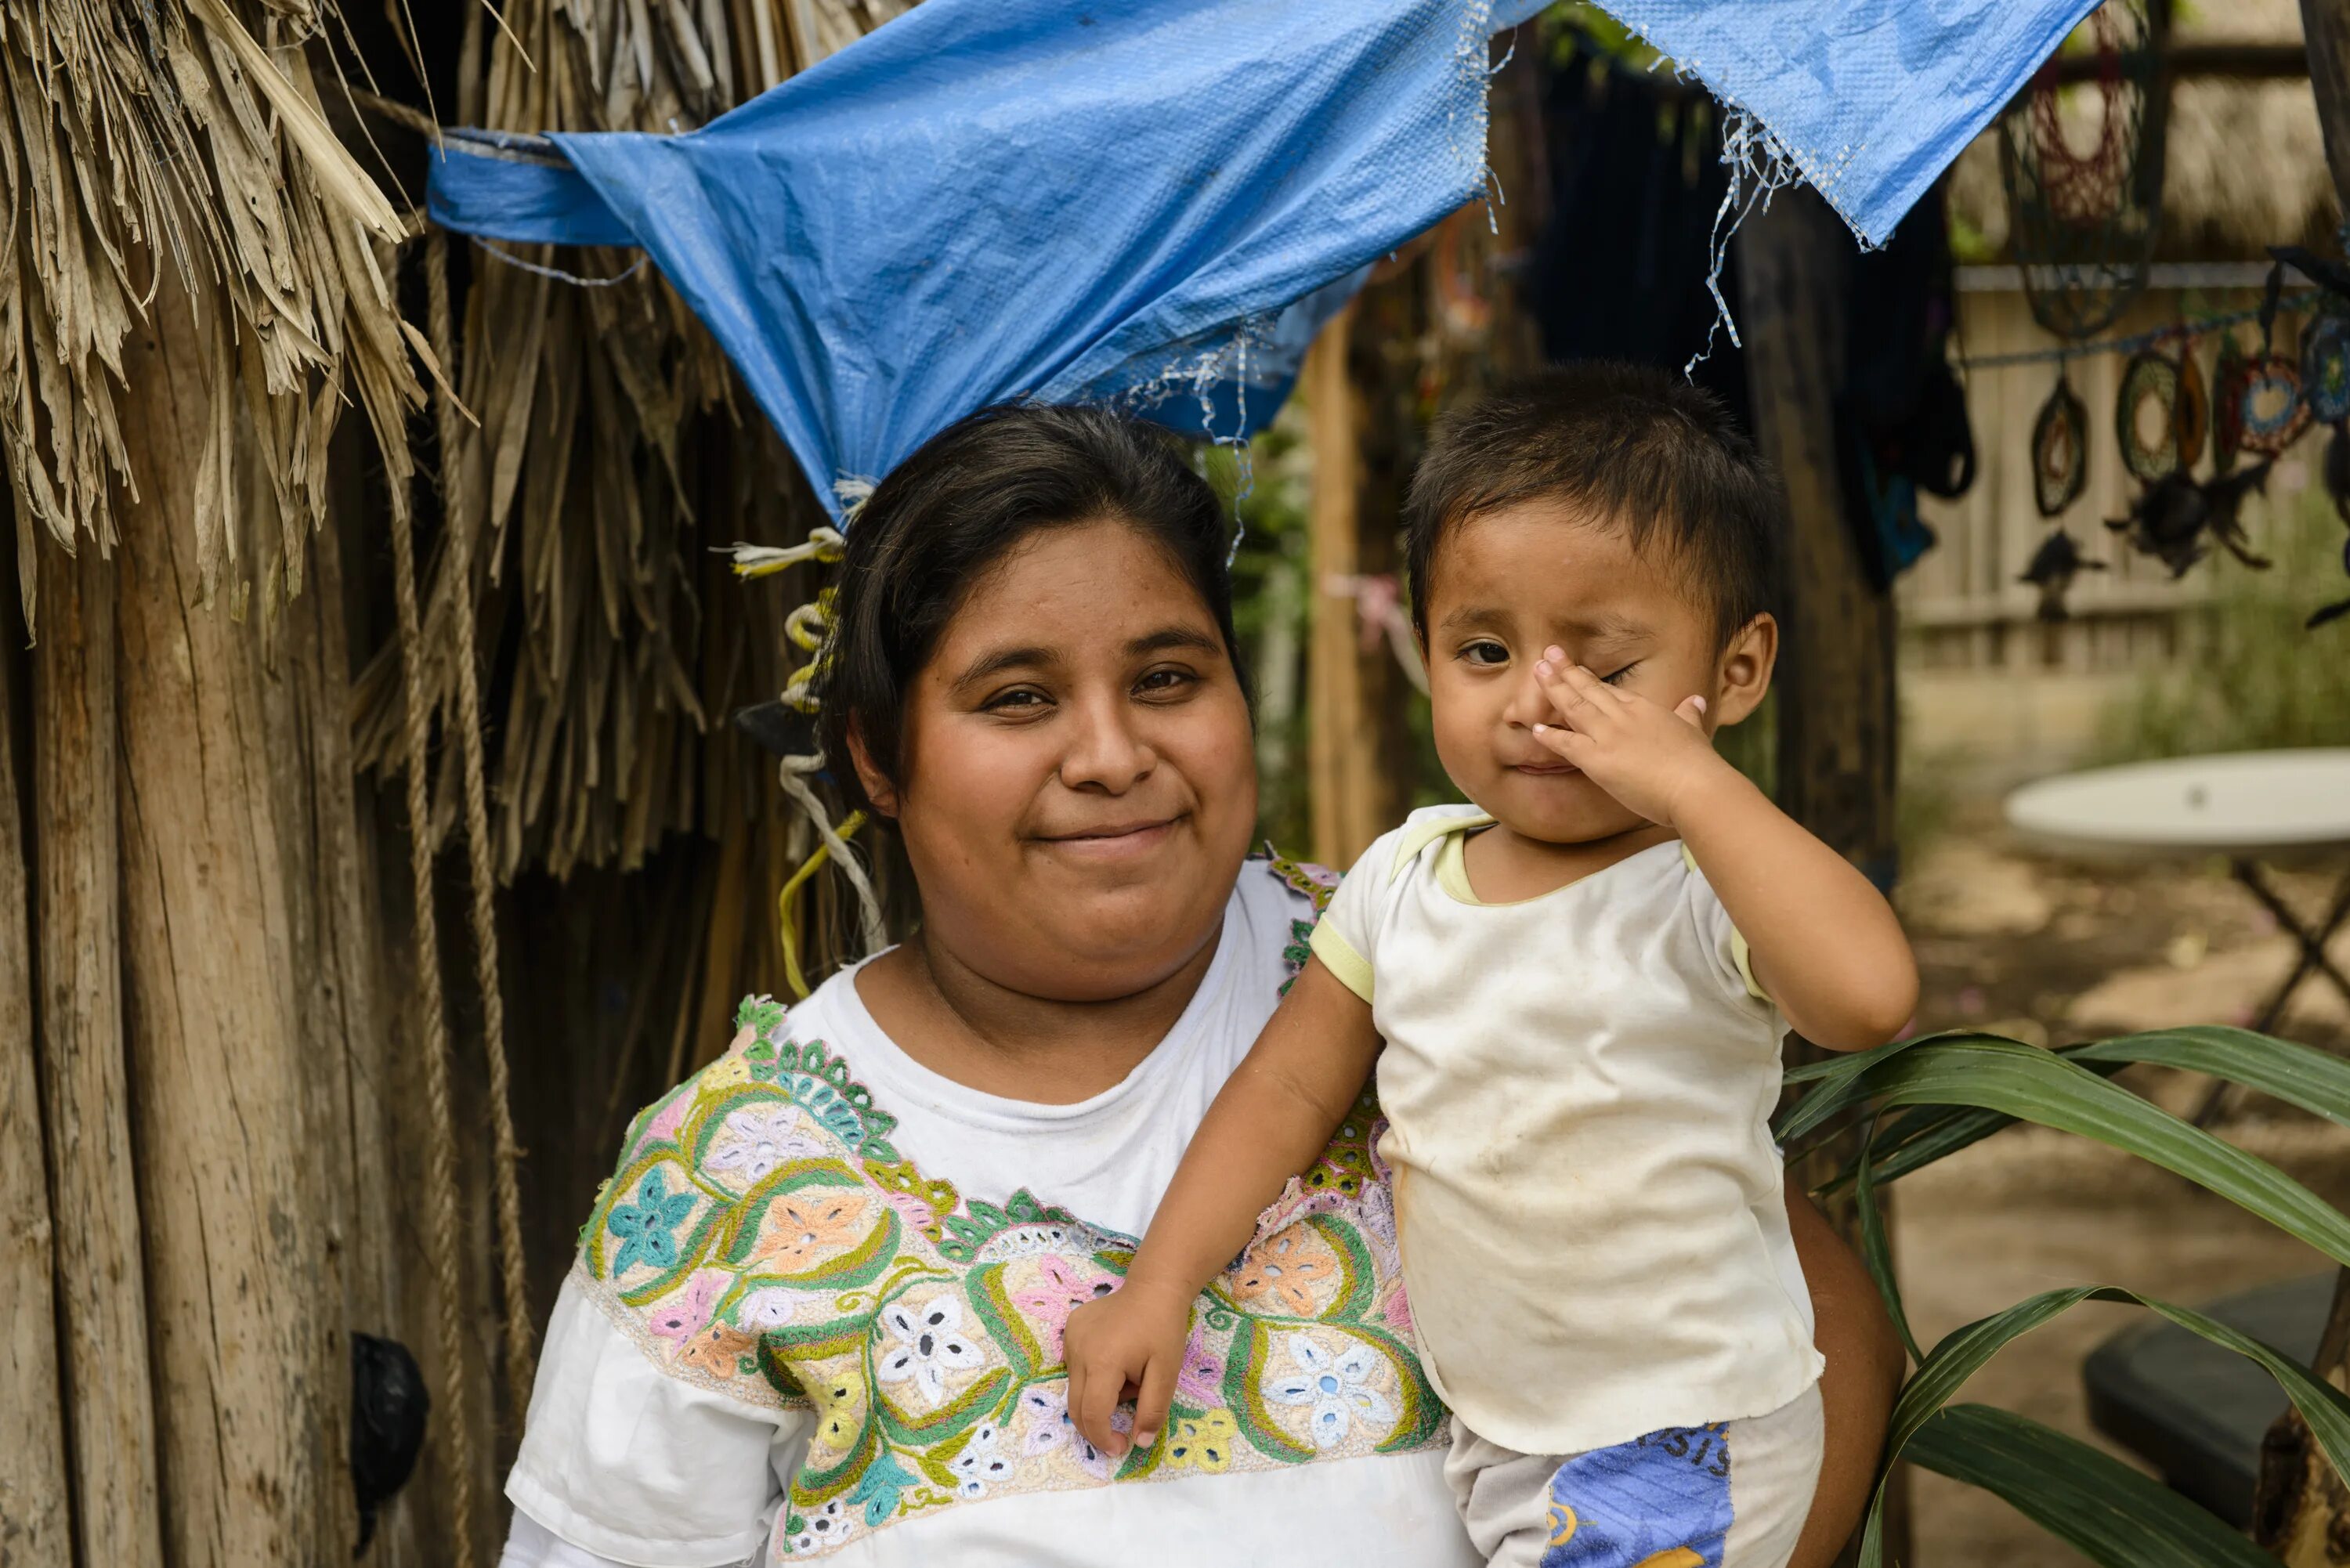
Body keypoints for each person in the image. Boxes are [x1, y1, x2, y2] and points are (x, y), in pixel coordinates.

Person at [497, 400, 1906, 1568]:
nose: (1110, 754)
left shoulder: (1455, 962)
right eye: (1017, 696)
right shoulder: (731, 1188)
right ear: (877, 752)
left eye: (1167, 677)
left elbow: (1804, 1314)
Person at [1061, 366, 1919, 1568]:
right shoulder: (1402, 883)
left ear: (1735, 669)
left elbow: (1868, 996)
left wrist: (1688, 784)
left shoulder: (1705, 884)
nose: (1537, 702)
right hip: (1509, 1439)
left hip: (1683, 1431)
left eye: (1604, 669)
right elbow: (1286, 1093)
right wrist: (1158, 1284)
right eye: (1482, 650)